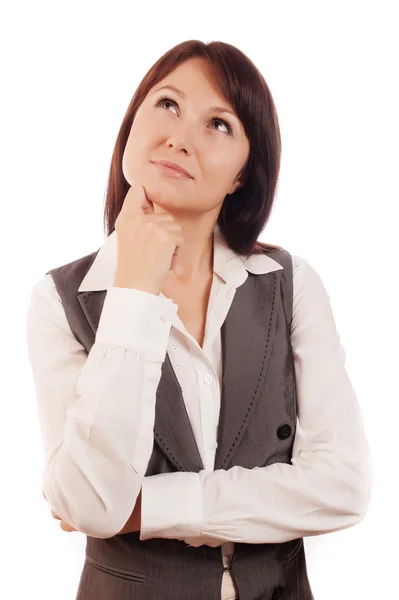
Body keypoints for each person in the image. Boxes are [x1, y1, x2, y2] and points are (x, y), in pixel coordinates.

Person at [26, 39, 373, 600]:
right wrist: (135, 291)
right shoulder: (61, 299)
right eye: (167, 105)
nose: (179, 138)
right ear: (131, 124)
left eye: (219, 124)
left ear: (241, 174)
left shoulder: (289, 284)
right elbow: (91, 501)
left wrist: (150, 507)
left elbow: (343, 486)